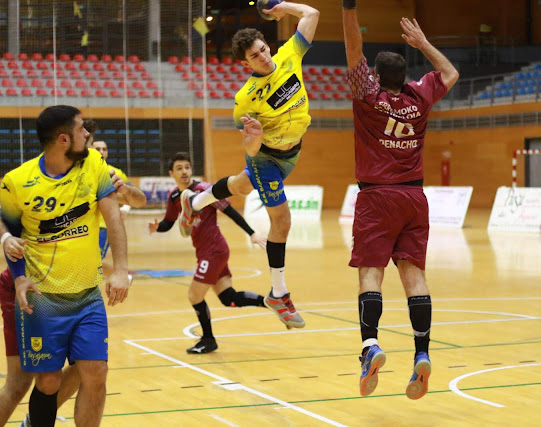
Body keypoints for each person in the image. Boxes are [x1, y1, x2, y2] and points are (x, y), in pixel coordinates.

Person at [178, 1, 320, 330]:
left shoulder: (289, 54)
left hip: (293, 153)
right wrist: (254, 137)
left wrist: (280, 6)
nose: (263, 57)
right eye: (255, 56)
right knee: (281, 222)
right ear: (245, 63)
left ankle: (194, 200)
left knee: (241, 185)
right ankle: (278, 294)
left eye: (263, 49)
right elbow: (250, 147)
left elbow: (312, 14)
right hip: (265, 157)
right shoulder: (246, 98)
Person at [341, 2, 459, 399]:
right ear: (405, 75)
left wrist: (348, 7)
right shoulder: (419, 96)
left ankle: (369, 346)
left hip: (377, 197)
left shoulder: (367, 94)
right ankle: (422, 352)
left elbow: (352, 46)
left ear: (375, 75)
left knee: (370, 275)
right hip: (414, 196)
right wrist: (424, 42)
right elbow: (451, 73)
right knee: (415, 277)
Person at [0, 105, 131, 426]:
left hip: (87, 295)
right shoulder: (17, 182)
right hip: (42, 298)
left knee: (96, 372)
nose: (87, 133)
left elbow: (113, 215)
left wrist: (121, 269)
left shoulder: (95, 165)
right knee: (47, 381)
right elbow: (8, 229)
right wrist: (11, 257)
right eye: (81, 129)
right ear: (63, 139)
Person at [148, 152, 268, 354]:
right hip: (205, 251)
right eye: (179, 168)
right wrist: (156, 227)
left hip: (214, 250)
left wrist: (252, 233)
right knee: (229, 298)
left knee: (194, 296)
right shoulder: (175, 196)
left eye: (187, 167)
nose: (184, 171)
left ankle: (208, 339)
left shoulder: (205, 191)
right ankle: (269, 301)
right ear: (171, 173)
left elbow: (229, 211)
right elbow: (169, 223)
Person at [83, 120, 147, 261]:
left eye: (104, 149)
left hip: (103, 225)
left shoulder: (114, 172)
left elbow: (134, 197)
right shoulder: (81, 171)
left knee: (95, 262)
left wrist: (125, 209)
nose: (100, 152)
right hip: (82, 229)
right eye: (97, 148)